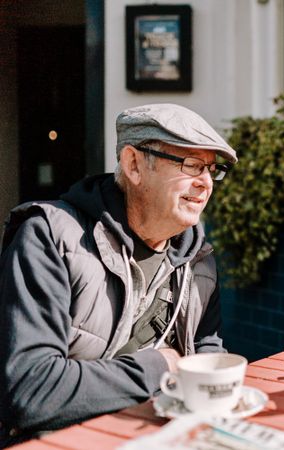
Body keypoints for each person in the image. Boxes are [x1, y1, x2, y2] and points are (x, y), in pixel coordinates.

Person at [0, 104, 237, 444]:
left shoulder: (199, 263)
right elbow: (30, 389)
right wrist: (158, 367)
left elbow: (206, 363)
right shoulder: (50, 238)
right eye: (191, 164)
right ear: (134, 165)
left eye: (211, 170)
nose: (205, 183)